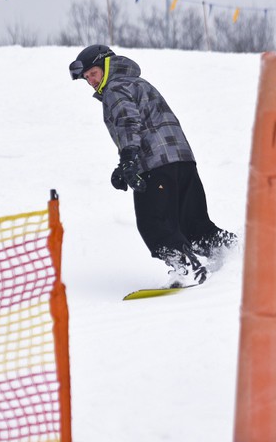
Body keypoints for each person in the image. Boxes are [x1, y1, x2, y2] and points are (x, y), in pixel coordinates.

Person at [69, 44, 236, 287]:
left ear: (107, 65)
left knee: (154, 223)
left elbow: (128, 122)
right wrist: (123, 166)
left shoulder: (115, 88)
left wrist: (128, 158)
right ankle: (237, 255)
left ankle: (187, 268)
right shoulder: (139, 83)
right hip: (183, 161)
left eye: (93, 73)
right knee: (194, 225)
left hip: (157, 165)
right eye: (86, 78)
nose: (91, 81)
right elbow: (147, 123)